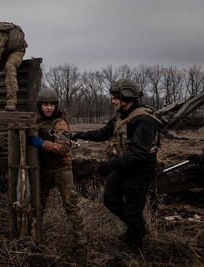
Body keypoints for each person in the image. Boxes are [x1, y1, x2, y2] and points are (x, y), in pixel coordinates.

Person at [71, 78, 162, 251]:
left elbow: (139, 153)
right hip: (125, 167)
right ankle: (137, 228)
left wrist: (111, 165)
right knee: (110, 199)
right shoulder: (122, 117)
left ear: (126, 96)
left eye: (115, 97)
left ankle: (134, 246)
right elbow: (104, 133)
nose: (112, 101)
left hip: (140, 171)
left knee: (132, 210)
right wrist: (82, 135)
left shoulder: (144, 119)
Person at [28, 88, 85, 248]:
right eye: (45, 105)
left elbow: (63, 148)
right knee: (38, 202)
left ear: (55, 106)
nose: (48, 108)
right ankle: (34, 232)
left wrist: (40, 143)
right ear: (40, 105)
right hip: (43, 168)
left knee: (70, 202)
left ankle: (80, 234)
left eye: (51, 105)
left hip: (61, 168)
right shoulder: (37, 122)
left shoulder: (61, 123)